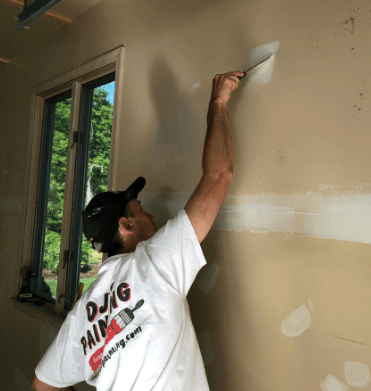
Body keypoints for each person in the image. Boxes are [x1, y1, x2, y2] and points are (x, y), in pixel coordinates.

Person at [31, 71, 242, 391]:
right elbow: (219, 175)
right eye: (142, 210)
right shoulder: (154, 261)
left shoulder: (83, 311)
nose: (154, 216)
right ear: (126, 225)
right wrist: (218, 102)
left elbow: (42, 386)